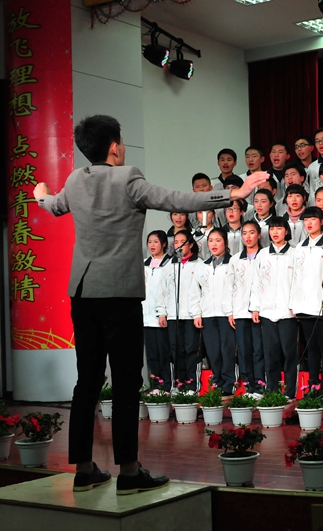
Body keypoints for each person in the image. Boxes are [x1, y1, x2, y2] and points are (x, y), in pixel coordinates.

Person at [34, 114, 265, 494]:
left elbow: (53, 205)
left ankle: (84, 469)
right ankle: (128, 472)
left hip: (83, 293)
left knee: (86, 382)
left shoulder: (75, 180)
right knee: (126, 383)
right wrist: (235, 194)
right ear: (114, 147)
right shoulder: (128, 178)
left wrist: (40, 194)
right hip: (120, 293)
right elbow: (178, 200)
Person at [289, 207, 323, 403]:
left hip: (320, 306)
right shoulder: (300, 247)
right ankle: (313, 385)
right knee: (311, 348)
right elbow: (295, 277)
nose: (309, 223)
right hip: (303, 305)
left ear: (322, 221)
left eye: (313, 219)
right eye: (306, 220)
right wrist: (293, 302)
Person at [252, 217, 299, 400]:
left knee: (289, 355)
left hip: (288, 313)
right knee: (270, 355)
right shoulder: (263, 255)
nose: (275, 232)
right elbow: (256, 282)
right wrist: (255, 307)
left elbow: (298, 282)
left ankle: (289, 392)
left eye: (279, 228)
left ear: (286, 231)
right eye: (272, 229)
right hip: (267, 313)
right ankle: (271, 391)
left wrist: (295, 305)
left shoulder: (294, 253)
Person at [192, 228, 236, 395]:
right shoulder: (202, 266)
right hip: (208, 314)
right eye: (211, 241)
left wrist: (232, 311)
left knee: (227, 350)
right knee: (213, 351)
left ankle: (229, 383)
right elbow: (195, 292)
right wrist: (197, 314)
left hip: (226, 315)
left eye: (218, 240)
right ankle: (217, 382)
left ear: (226, 242)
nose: (214, 244)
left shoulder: (232, 263)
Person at [166, 230, 203, 392]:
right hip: (173, 315)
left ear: (191, 244)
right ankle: (179, 385)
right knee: (176, 350)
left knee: (191, 350)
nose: (178, 245)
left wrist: (197, 313)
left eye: (182, 242)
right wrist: (163, 312)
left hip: (191, 315)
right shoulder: (170, 265)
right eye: (176, 242)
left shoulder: (199, 264)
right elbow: (164, 290)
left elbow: (201, 292)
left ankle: (192, 385)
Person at [229, 220, 265, 393]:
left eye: (252, 232)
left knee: (259, 350)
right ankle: (249, 387)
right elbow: (229, 287)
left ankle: (260, 386)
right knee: (244, 351)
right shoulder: (235, 259)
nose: (248, 237)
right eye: (244, 233)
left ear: (259, 235)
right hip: (240, 312)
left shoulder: (265, 256)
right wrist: (230, 312)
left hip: (260, 312)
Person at [143, 230, 171, 384]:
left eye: (156, 242)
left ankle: (167, 385)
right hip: (146, 318)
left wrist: (163, 313)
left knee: (164, 352)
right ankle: (155, 385)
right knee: (151, 353)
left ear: (164, 243)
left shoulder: (169, 264)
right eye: (149, 242)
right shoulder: (143, 264)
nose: (152, 245)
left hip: (162, 317)